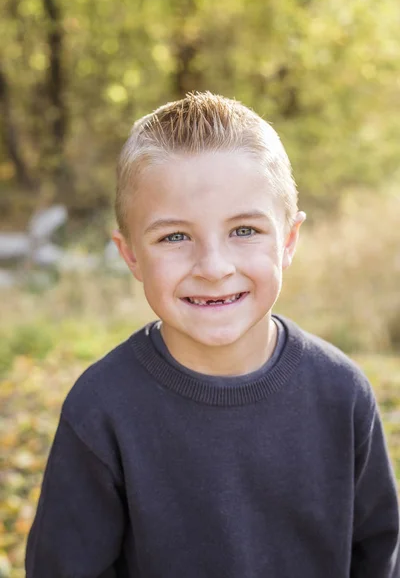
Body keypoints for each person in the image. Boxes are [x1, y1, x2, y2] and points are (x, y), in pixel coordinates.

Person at [25, 92, 399, 578]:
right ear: (131, 254)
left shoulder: (341, 394)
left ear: (288, 241)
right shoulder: (101, 410)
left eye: (244, 230)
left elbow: (378, 557)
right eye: (174, 237)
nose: (214, 267)